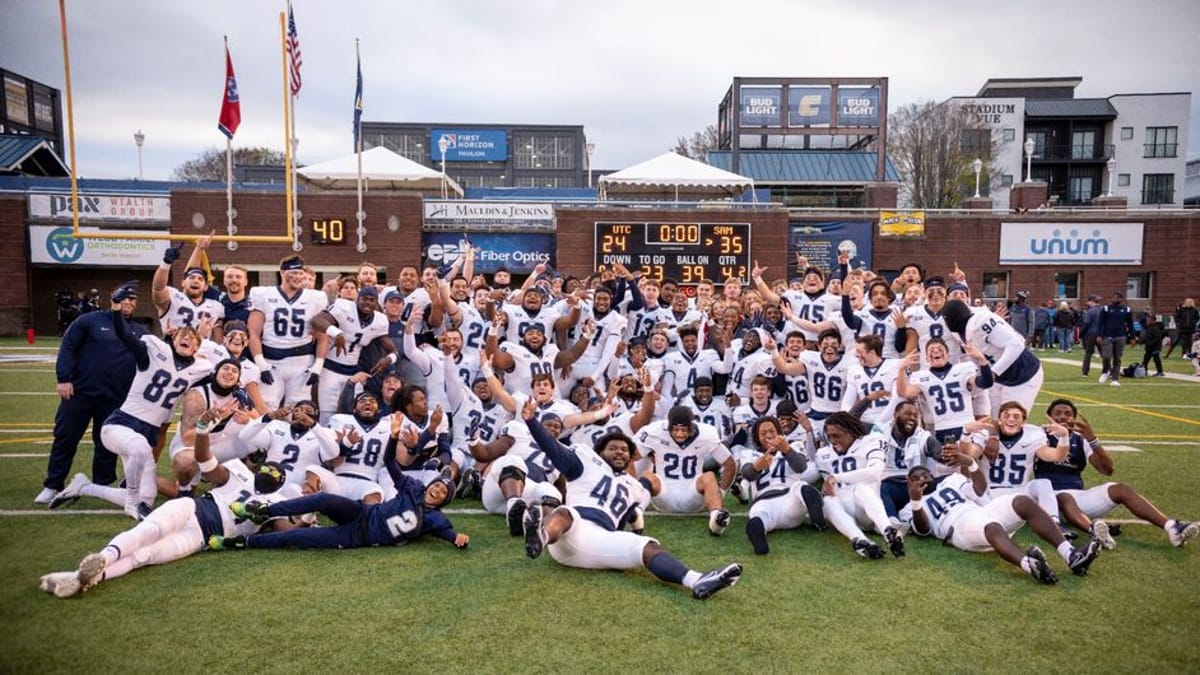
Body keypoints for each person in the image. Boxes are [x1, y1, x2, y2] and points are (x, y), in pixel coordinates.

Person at [38, 406, 292, 598]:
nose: (269, 475)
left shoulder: (277, 503)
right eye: (267, 470)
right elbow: (205, 461)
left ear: (281, 484)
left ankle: (84, 578)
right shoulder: (239, 475)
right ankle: (104, 557)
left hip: (203, 537)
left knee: (145, 556)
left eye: (274, 475)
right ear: (257, 469)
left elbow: (286, 534)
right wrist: (202, 430)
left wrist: (302, 520)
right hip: (191, 509)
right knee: (148, 531)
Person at [519, 400, 743, 600]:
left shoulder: (633, 487)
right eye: (613, 448)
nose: (620, 452)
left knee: (647, 545)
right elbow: (553, 449)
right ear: (599, 451)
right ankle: (540, 535)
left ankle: (697, 580)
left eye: (625, 450)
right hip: (569, 533)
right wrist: (532, 422)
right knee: (567, 513)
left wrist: (636, 528)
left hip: (599, 540)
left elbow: (631, 518)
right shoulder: (584, 461)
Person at [208, 434, 468, 551]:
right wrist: (393, 437)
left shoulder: (435, 519)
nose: (437, 489)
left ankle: (241, 543)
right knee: (322, 499)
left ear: (445, 500)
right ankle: (263, 511)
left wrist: (458, 539)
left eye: (442, 491)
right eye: (437, 485)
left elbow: (449, 534)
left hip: (358, 537)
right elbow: (390, 462)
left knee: (298, 537)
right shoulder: (412, 487)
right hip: (362, 512)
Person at [906, 453, 1101, 585]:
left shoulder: (951, 481)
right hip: (957, 528)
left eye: (925, 474)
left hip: (980, 511)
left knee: (1022, 502)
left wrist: (971, 463)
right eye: (916, 478)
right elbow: (922, 530)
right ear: (909, 484)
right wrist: (916, 501)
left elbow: (978, 490)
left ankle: (1071, 555)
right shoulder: (909, 508)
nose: (923, 478)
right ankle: (1029, 565)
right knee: (991, 526)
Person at [36, 281, 147, 505]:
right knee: (66, 437)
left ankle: (101, 485)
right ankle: (53, 484)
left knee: (106, 442)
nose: (127, 302)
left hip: (116, 397)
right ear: (112, 298)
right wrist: (64, 378)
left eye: (132, 299)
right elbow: (68, 347)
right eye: (122, 297)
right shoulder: (89, 320)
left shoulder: (140, 331)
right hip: (80, 392)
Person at [99, 310, 214, 520]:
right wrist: (116, 310)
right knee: (141, 450)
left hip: (148, 432)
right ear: (172, 338)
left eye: (192, 339)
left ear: (197, 348)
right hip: (121, 424)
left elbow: (220, 379)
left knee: (148, 497)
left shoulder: (200, 367)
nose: (187, 339)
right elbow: (126, 336)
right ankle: (132, 503)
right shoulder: (154, 353)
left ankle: (83, 487)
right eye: (183, 336)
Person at [1038, 399, 1198, 548]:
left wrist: (1093, 440)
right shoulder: (1038, 436)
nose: (1062, 417)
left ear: (1074, 417)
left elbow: (1107, 470)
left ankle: (1172, 527)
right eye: (1057, 413)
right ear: (1049, 417)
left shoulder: (1081, 440)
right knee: (1065, 498)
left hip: (1078, 497)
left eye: (1068, 414)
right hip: (1048, 499)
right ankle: (1094, 531)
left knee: (1121, 489)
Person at [813, 412, 904, 559]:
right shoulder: (823, 454)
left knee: (859, 487)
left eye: (837, 436)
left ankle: (888, 530)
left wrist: (836, 477)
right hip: (843, 514)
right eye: (829, 436)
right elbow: (808, 472)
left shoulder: (872, 441)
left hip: (868, 510)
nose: (832, 441)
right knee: (828, 500)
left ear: (851, 431)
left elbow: (874, 473)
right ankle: (860, 541)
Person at [636, 406, 736, 536]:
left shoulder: (706, 434)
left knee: (709, 476)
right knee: (648, 476)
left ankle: (716, 519)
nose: (680, 434)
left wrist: (719, 494)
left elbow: (730, 464)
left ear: (691, 427)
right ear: (668, 428)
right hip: (663, 494)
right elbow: (632, 457)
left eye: (684, 430)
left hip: (693, 495)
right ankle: (637, 513)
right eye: (676, 430)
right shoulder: (654, 433)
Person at [247, 255, 330, 407]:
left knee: (297, 407)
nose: (298, 277)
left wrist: (318, 366)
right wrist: (261, 363)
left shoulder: (316, 298)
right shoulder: (263, 295)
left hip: (302, 361)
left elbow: (323, 337)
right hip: (271, 360)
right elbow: (253, 333)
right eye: (293, 273)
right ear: (282, 273)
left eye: (300, 273)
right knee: (268, 404)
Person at [738, 416, 824, 555]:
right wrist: (757, 467)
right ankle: (760, 541)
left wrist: (786, 450)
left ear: (779, 432)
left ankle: (818, 520)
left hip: (790, 500)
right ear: (756, 437)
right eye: (763, 433)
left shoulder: (794, 446)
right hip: (764, 501)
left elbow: (801, 466)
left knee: (800, 487)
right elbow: (747, 474)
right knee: (758, 517)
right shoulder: (749, 454)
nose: (769, 435)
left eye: (772, 431)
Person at [941, 299, 1043, 416]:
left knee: (1010, 420)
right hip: (1000, 379)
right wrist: (974, 388)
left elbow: (1016, 345)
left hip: (1024, 374)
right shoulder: (960, 332)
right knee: (995, 422)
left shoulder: (980, 323)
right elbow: (977, 359)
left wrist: (993, 372)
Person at [1097, 292, 1133, 387]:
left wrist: (1133, 337)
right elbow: (1100, 323)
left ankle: (1115, 379)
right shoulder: (1106, 309)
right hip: (1107, 336)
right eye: (1114, 297)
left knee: (1117, 358)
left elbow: (1130, 324)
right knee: (1107, 356)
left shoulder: (1126, 310)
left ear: (1121, 299)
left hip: (1120, 336)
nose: (1115, 299)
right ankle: (1105, 371)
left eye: (1118, 297)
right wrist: (1099, 335)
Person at [1078, 294, 1104, 378]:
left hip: (1091, 334)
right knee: (1103, 353)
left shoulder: (1090, 311)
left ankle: (1085, 372)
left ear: (1091, 302)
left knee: (1088, 353)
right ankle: (1108, 370)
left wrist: (1081, 334)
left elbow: (1086, 324)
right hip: (1101, 334)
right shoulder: (1103, 310)